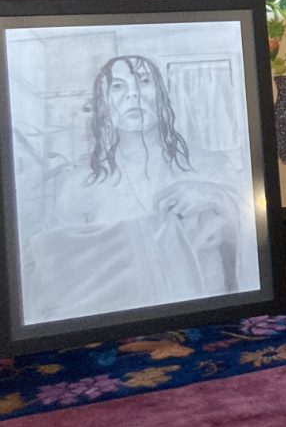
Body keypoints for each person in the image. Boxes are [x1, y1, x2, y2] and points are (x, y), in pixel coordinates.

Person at [24, 55, 246, 324]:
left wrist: (218, 198)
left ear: (161, 95)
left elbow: (252, 253)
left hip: (209, 323)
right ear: (103, 105)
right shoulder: (77, 186)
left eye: (143, 82)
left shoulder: (211, 168)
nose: (134, 94)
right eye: (118, 86)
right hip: (115, 334)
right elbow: (58, 281)